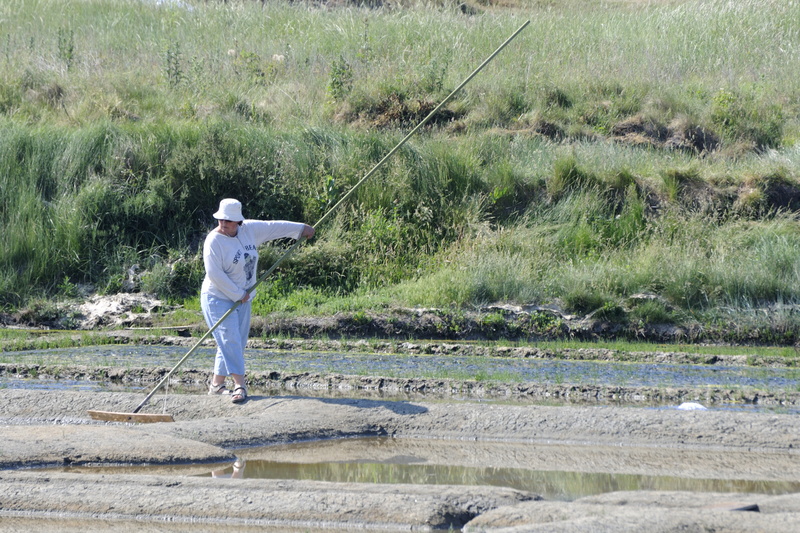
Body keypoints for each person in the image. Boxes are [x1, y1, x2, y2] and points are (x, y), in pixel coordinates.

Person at [201, 198, 315, 403]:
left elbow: (274, 227)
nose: (223, 224)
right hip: (217, 297)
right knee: (230, 340)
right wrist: (238, 294)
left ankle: (217, 385)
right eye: (220, 220)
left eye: (228, 220)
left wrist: (301, 229)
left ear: (238, 222)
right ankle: (240, 385)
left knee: (236, 342)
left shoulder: (249, 230)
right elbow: (214, 273)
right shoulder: (213, 241)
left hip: (243, 298)